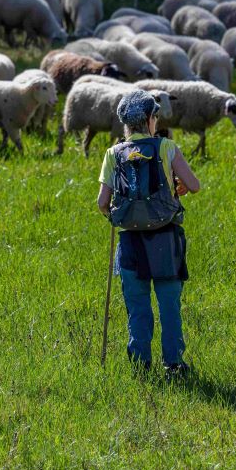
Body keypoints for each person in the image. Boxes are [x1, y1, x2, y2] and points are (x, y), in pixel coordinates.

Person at [97, 90, 201, 375]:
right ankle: (174, 364)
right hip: (165, 239)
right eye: (156, 116)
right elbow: (194, 185)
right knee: (169, 304)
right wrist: (176, 186)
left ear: (126, 123)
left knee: (137, 306)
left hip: (130, 242)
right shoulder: (167, 148)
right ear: (150, 119)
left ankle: (140, 365)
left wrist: (123, 216)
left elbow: (102, 203)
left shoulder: (113, 153)